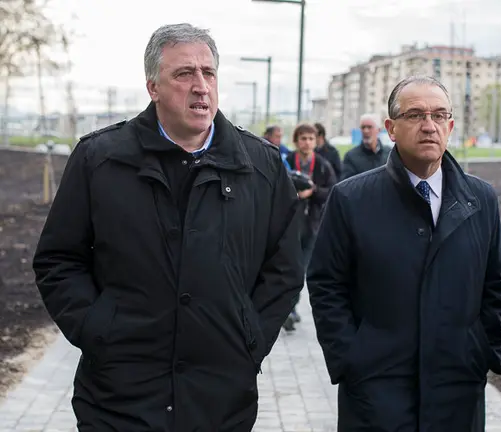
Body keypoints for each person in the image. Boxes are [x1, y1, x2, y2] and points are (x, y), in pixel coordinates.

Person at [32, 23, 304, 431]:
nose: (201, 86)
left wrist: (249, 340)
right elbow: (58, 259)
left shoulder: (261, 165)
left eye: (208, 73)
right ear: (153, 87)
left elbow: (283, 270)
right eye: (184, 74)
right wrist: (99, 330)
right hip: (118, 397)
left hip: (221, 398)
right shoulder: (99, 159)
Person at [307, 75, 501, 431]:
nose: (428, 126)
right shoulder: (351, 199)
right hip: (377, 391)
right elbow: (326, 284)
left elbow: (498, 284)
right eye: (416, 114)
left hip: (457, 389)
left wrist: (480, 350)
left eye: (438, 115)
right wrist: (351, 358)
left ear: (450, 126)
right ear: (391, 128)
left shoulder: (481, 199)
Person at [282, 123, 337, 331]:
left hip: (313, 226)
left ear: (316, 141)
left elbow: (332, 190)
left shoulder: (323, 165)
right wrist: (295, 195)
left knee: (300, 269)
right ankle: (288, 308)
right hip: (289, 225)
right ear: (296, 141)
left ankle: (291, 308)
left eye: (310, 139)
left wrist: (313, 191)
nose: (307, 142)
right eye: (303, 138)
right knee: (288, 268)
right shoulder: (287, 161)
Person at [341, 113, 391, 180]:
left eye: (369, 127)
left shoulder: (389, 154)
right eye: (363, 127)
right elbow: (347, 184)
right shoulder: (351, 157)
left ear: (378, 130)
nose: (366, 131)